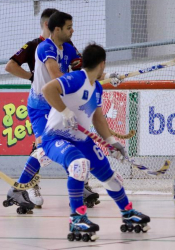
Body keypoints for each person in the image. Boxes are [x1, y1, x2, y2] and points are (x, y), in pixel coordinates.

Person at [4, 9, 119, 210]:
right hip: (41, 107)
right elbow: (57, 75)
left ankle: (78, 184)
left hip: (58, 106)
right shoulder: (44, 47)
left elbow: (85, 71)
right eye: (68, 27)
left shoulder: (68, 49)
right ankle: (19, 188)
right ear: (56, 29)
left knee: (71, 144)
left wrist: (107, 74)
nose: (72, 31)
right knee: (44, 149)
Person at [41, 43, 150, 241]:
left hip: (82, 140)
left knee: (111, 176)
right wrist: (65, 112)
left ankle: (127, 213)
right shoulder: (76, 78)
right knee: (79, 165)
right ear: (102, 64)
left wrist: (111, 142)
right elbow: (48, 89)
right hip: (55, 138)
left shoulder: (96, 87)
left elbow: (98, 117)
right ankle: (77, 217)